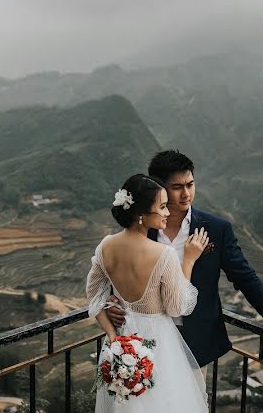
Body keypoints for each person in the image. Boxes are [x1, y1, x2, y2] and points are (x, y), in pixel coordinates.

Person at [106, 150, 263, 367]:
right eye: (177, 187)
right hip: (145, 339)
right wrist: (111, 303)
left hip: (195, 342)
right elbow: (121, 271)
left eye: (190, 184)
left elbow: (245, 278)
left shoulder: (216, 229)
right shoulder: (142, 228)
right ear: (159, 189)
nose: (186, 193)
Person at [87, 173, 210, 411]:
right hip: (159, 344)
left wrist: (113, 337)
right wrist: (189, 261)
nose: (167, 212)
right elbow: (178, 307)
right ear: (141, 214)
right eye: (162, 207)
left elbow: (93, 298)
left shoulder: (106, 246)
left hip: (122, 341)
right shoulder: (163, 254)